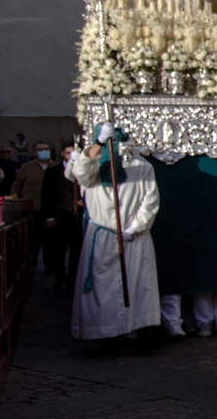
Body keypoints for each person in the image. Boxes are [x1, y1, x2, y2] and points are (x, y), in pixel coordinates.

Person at [68, 123, 162, 342]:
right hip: (102, 237)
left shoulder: (141, 166)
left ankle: (133, 331)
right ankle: (102, 333)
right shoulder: (93, 169)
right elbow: (80, 171)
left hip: (133, 237)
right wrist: (99, 143)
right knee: (103, 290)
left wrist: (135, 227)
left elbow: (150, 200)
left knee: (136, 286)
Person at [41, 143, 81, 294]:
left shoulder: (82, 171)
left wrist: (84, 200)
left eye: (74, 152)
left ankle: (72, 282)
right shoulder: (53, 172)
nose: (71, 156)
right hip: (59, 215)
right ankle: (59, 279)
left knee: (76, 252)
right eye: (68, 153)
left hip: (77, 217)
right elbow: (46, 195)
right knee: (58, 251)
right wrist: (48, 216)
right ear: (63, 154)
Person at [11, 141, 54, 271]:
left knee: (52, 244)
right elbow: (16, 189)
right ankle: (30, 267)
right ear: (34, 152)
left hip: (53, 212)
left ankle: (52, 268)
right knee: (31, 243)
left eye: (46, 148)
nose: (43, 151)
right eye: (40, 149)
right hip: (31, 212)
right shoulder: (27, 168)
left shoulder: (57, 167)